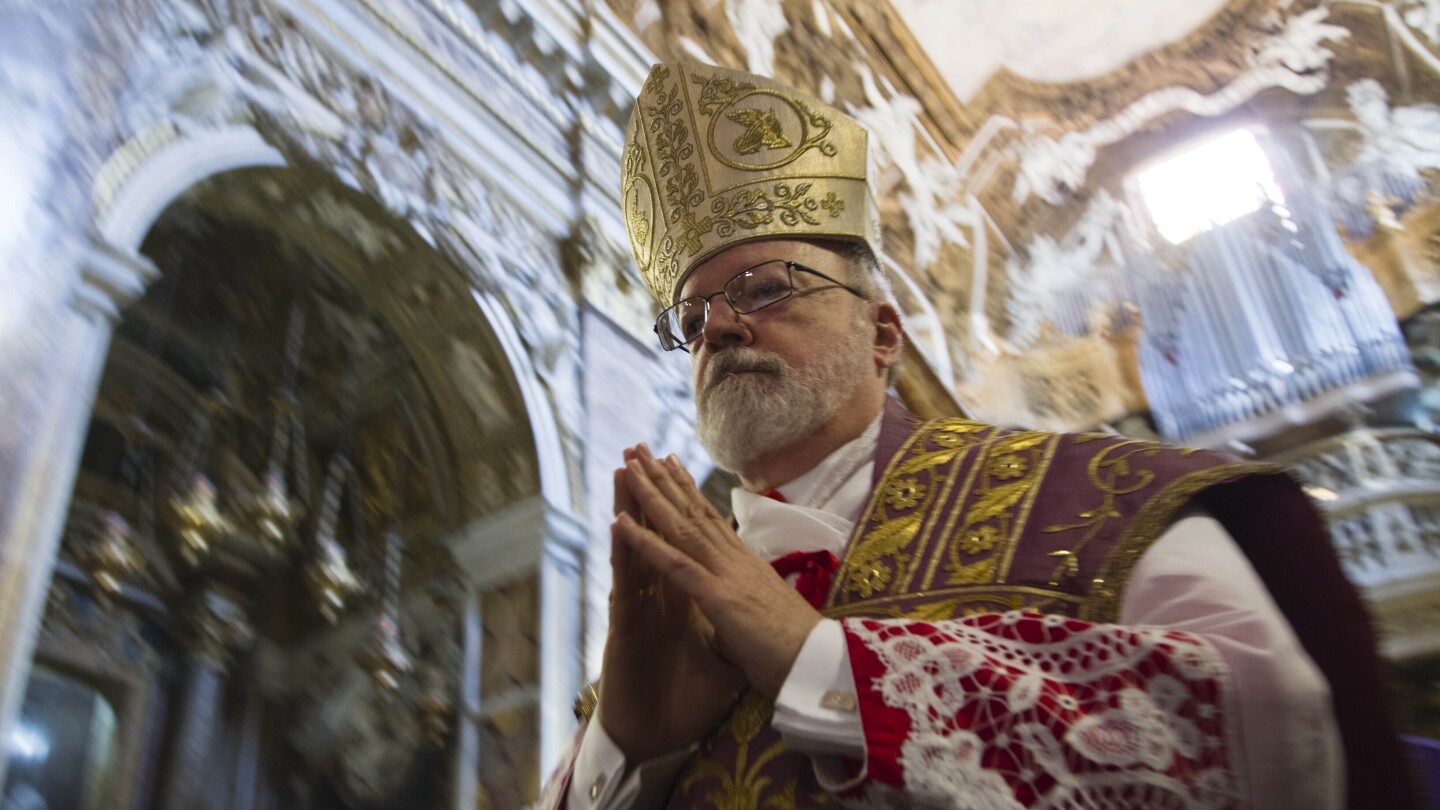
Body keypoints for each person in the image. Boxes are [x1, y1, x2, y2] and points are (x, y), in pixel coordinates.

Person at [536, 62, 1417, 809]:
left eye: (766, 287)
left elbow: (1261, 729)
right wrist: (628, 744)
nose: (719, 327)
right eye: (689, 319)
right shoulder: (666, 612)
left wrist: (821, 663)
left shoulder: (1101, 501)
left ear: (883, 334)